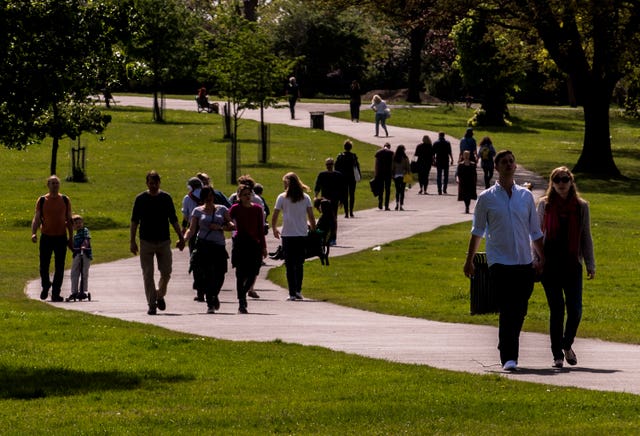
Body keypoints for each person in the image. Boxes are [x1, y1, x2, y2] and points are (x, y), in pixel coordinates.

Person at [463, 150, 545, 372]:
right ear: (496, 167)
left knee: (520, 310)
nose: (509, 165)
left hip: (524, 261)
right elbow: (477, 231)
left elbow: (535, 231)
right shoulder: (486, 198)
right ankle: (509, 357)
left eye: (511, 161)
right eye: (504, 162)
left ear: (515, 166)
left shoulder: (525, 197)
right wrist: (469, 260)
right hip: (500, 262)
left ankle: (506, 342)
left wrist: (542, 258)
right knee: (509, 308)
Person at [536, 167, 595, 368]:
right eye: (557, 180)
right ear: (552, 183)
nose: (561, 183)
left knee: (576, 310)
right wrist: (536, 259)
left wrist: (590, 263)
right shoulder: (545, 205)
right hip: (549, 264)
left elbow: (586, 235)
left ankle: (566, 344)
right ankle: (557, 355)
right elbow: (536, 235)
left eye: (565, 179)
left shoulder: (581, 207)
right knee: (557, 309)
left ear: (571, 182)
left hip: (572, 264)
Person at [130, 171, 185, 315]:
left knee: (166, 272)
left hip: (164, 241)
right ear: (147, 183)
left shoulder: (166, 198)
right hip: (146, 241)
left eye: (155, 183)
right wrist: (132, 241)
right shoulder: (140, 199)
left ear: (159, 183)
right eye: (150, 183)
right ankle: (151, 304)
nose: (153, 186)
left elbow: (173, 219)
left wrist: (181, 236)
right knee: (148, 273)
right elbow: (134, 221)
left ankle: (159, 295)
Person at [183, 186, 234, 314]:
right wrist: (183, 239)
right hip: (203, 245)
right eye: (206, 196)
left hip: (218, 246)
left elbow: (231, 225)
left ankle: (214, 294)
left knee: (220, 273)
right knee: (204, 274)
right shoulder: (197, 211)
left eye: (211, 195)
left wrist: (220, 226)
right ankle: (210, 301)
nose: (209, 198)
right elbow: (192, 229)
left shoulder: (222, 209)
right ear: (203, 198)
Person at [271, 172, 316, 301]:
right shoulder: (305, 197)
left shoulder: (282, 197)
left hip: (288, 235)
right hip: (301, 234)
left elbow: (275, 215)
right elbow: (311, 216)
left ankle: (292, 292)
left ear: (287, 183)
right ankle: (297, 290)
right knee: (299, 264)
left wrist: (274, 228)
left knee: (289, 264)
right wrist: (313, 229)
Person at [31, 175, 73, 302]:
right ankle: (45, 285)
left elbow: (69, 219)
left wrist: (71, 237)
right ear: (48, 185)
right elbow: (37, 218)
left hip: (61, 237)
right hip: (46, 237)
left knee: (60, 266)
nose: (55, 185)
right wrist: (34, 233)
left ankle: (56, 293)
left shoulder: (65, 199)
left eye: (57, 183)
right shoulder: (42, 200)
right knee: (44, 265)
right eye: (52, 183)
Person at [229, 185, 267, 314]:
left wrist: (264, 247)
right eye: (244, 194)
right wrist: (229, 225)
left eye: (249, 194)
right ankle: (242, 302)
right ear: (239, 196)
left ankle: (243, 293)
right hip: (240, 243)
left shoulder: (257, 209)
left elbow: (260, 230)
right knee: (240, 274)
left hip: (254, 244)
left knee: (254, 272)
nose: (247, 196)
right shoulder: (235, 208)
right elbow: (227, 219)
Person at [314, 157, 345, 245]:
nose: (329, 166)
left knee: (334, 219)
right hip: (324, 200)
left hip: (334, 200)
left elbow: (342, 189)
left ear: (333, 165)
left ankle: (333, 238)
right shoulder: (322, 175)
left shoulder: (338, 175)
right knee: (324, 218)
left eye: (331, 164)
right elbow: (317, 186)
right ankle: (324, 236)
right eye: (327, 164)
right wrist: (316, 196)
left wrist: (342, 200)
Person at [334, 139, 360, 218]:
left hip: (343, 178)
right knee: (352, 194)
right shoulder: (353, 156)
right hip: (352, 177)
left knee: (345, 195)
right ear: (351, 147)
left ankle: (346, 213)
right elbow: (357, 167)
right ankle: (351, 211)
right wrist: (359, 176)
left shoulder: (340, 156)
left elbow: (336, 167)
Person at [69, 214, 92, 300]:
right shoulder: (75, 235)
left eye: (80, 223)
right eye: (76, 223)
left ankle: (83, 291)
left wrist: (84, 245)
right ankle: (74, 292)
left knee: (84, 272)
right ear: (73, 226)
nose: (78, 225)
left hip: (85, 254)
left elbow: (86, 239)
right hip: (77, 254)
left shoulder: (84, 230)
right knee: (74, 273)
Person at [374, 142, 394, 210]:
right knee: (387, 189)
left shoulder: (378, 152)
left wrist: (376, 173)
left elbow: (376, 164)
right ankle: (386, 205)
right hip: (388, 173)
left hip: (380, 173)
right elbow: (392, 164)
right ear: (389, 147)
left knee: (380, 189)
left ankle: (380, 203)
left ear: (384, 146)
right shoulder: (391, 153)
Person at [392, 145, 411, 211]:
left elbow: (392, 167)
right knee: (402, 191)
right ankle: (401, 204)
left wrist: (393, 174)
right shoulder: (405, 158)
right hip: (403, 175)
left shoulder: (394, 157)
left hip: (396, 175)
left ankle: (397, 204)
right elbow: (408, 168)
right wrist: (409, 176)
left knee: (397, 190)